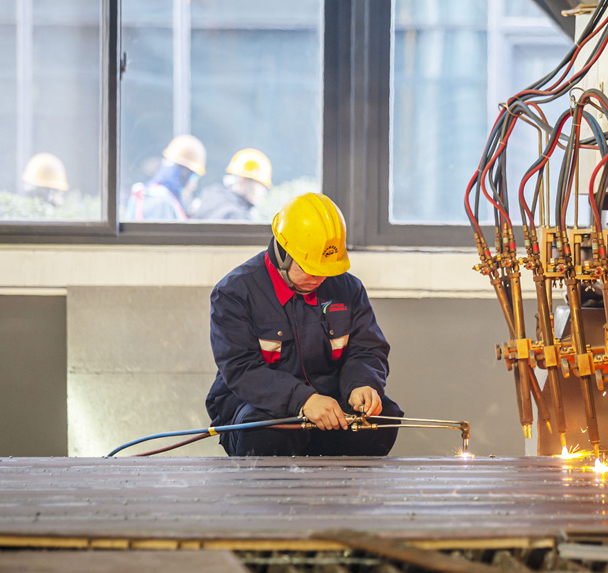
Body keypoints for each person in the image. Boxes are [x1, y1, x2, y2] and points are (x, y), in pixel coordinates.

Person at [205, 192, 403, 456]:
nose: (321, 278)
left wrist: (362, 384)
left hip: (330, 402)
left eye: (327, 269)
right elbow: (242, 369)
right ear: (282, 253)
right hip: (258, 406)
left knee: (382, 419)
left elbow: (367, 350)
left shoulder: (348, 289)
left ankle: (345, 493)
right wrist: (303, 399)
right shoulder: (234, 294)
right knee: (266, 432)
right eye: (311, 268)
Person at [127, 134, 206, 220]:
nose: (194, 186)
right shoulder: (163, 203)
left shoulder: (148, 194)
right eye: (194, 177)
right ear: (184, 174)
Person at [190, 148, 271, 221]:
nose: (263, 192)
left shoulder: (211, 195)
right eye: (261, 185)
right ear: (243, 179)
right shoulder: (234, 216)